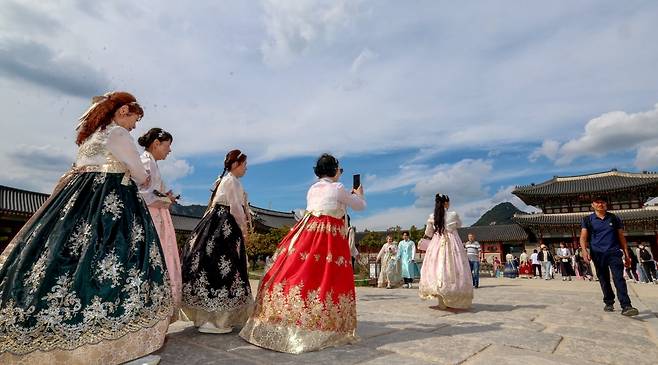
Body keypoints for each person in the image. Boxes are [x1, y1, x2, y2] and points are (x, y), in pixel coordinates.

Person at [0, 92, 172, 365]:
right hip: (110, 200)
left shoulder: (90, 136)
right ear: (123, 111)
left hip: (76, 200)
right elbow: (139, 174)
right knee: (118, 261)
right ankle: (118, 343)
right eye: (134, 119)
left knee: (63, 259)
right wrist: (143, 177)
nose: (134, 127)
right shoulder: (117, 134)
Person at [240, 153, 366, 354]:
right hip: (328, 235)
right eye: (339, 169)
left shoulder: (313, 188)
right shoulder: (338, 188)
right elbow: (360, 206)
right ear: (334, 170)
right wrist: (359, 193)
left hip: (307, 231)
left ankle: (288, 317)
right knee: (327, 278)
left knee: (303, 273)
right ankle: (324, 322)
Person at [181, 150, 254, 334]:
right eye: (244, 164)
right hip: (225, 225)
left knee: (207, 266)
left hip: (212, 224)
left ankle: (204, 318)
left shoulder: (223, 180)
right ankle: (217, 321)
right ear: (236, 165)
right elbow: (236, 209)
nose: (246, 168)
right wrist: (244, 230)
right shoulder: (232, 181)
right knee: (225, 269)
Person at [138, 128, 182, 316]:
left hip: (158, 215)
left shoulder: (150, 162)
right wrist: (167, 200)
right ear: (156, 143)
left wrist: (165, 197)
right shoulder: (146, 162)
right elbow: (144, 194)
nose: (169, 150)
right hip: (152, 217)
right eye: (167, 145)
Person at [580, 195, 639, 316]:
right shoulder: (587, 219)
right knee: (604, 278)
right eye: (597, 202)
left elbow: (621, 237)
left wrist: (627, 255)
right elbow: (583, 237)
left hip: (614, 252)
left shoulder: (614, 218)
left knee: (619, 278)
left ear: (606, 204)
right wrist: (584, 251)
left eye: (603, 202)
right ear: (593, 205)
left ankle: (626, 305)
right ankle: (609, 301)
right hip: (597, 254)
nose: (600, 204)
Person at [418, 194, 473, 309]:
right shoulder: (453, 215)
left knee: (436, 267)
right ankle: (451, 297)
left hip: (436, 244)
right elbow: (459, 224)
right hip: (452, 243)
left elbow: (428, 233)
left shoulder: (432, 216)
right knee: (452, 268)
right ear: (446, 203)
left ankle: (441, 301)